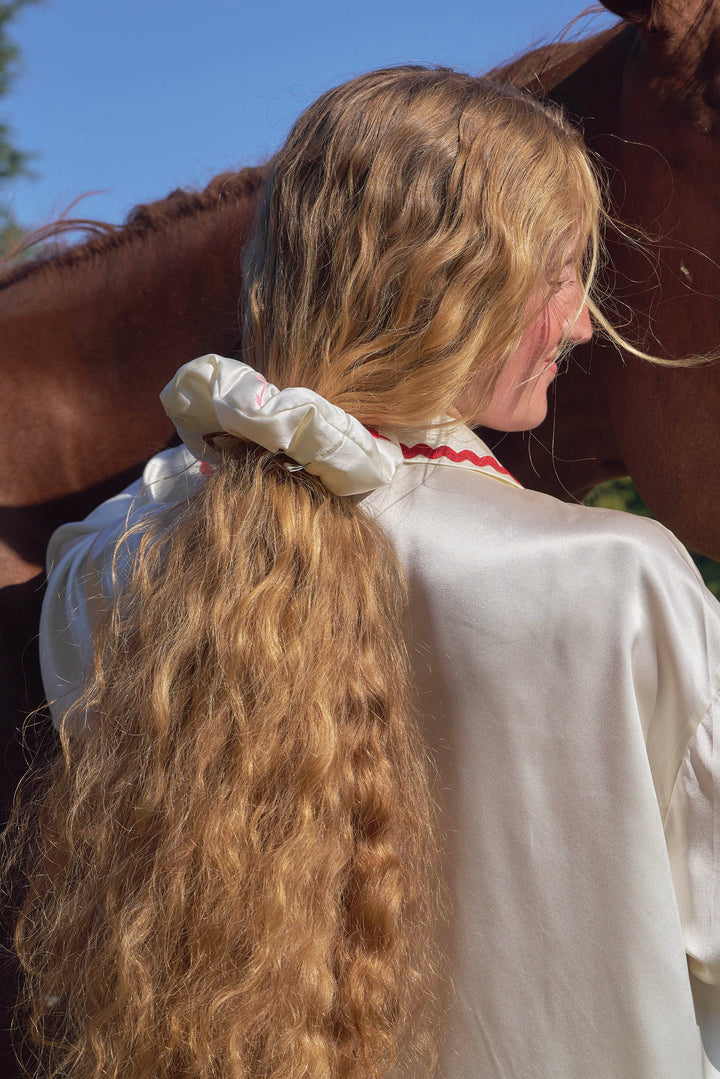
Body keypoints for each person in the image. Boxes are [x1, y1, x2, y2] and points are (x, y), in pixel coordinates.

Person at [7, 66, 720, 1079]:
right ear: (451, 285)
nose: (580, 321)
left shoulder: (106, 565)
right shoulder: (627, 585)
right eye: (560, 274)